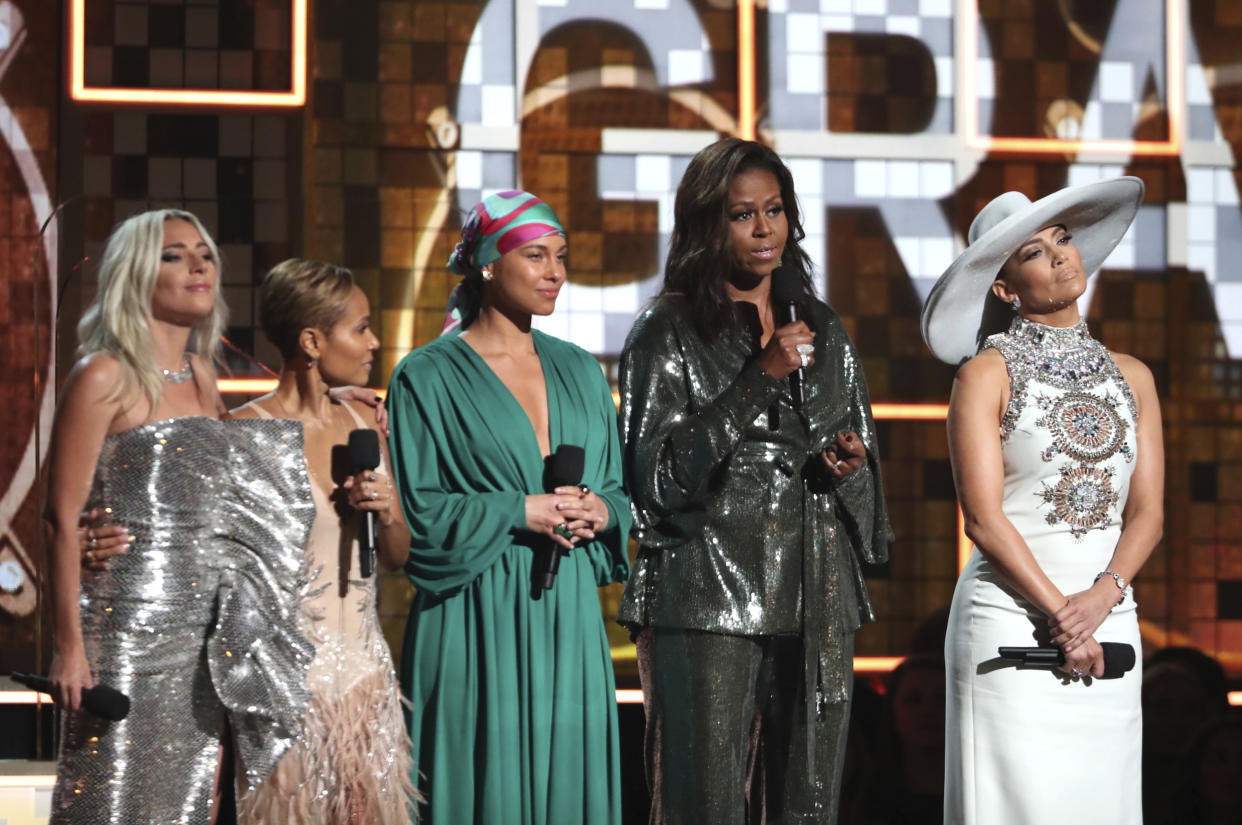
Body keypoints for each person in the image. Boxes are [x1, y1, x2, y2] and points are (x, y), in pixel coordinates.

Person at [617, 137, 893, 823]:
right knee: (701, 803)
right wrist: (758, 378)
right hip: (706, 592)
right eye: (743, 215)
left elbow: (872, 499)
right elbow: (656, 479)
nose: (764, 228)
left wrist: (845, 467)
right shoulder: (667, 329)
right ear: (708, 224)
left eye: (775, 210)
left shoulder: (823, 328)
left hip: (815, 588)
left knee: (809, 805)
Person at [45, 210, 315, 823]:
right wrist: (68, 648)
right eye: (173, 255)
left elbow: (216, 483)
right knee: (109, 800)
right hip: (127, 628)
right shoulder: (103, 373)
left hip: (204, 633)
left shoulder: (202, 374)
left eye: (205, 253)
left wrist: (328, 396)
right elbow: (60, 519)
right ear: (135, 273)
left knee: (188, 803)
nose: (198, 265)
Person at [920, 176, 1164, 824]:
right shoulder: (982, 376)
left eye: (1063, 238)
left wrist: (1098, 601)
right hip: (1010, 622)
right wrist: (1062, 612)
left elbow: (1148, 514)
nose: (1059, 255)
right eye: (1033, 252)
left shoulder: (1133, 376)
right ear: (1004, 287)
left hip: (1109, 622)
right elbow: (983, 519)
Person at [386, 190, 632, 824]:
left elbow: (619, 492)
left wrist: (601, 511)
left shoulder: (581, 371)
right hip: (473, 610)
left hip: (567, 611)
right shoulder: (427, 375)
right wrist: (520, 511)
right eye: (536, 255)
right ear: (489, 264)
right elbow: (420, 517)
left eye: (561, 256)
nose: (555, 271)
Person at [226, 259, 419, 824]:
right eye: (360, 328)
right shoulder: (244, 433)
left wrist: (386, 514)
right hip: (286, 692)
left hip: (367, 682)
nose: (374, 341)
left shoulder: (364, 422)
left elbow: (399, 554)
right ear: (311, 340)